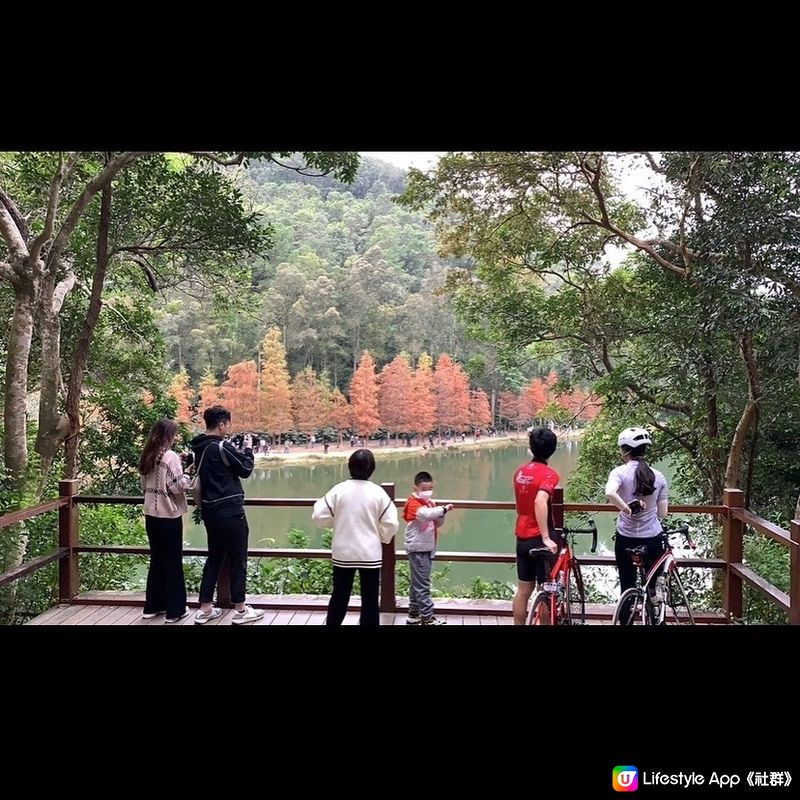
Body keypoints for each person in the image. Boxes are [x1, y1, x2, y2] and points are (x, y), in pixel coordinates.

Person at [190, 406, 265, 625]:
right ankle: (241, 610)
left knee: (214, 558)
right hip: (231, 512)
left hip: (210, 512)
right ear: (222, 424)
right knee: (238, 559)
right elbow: (246, 469)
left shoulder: (199, 447)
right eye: (227, 425)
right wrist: (249, 449)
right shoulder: (221, 446)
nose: (227, 428)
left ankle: (205, 608)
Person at [311, 449, 398, 625]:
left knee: (339, 595)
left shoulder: (339, 490)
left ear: (350, 466)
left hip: (343, 552)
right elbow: (391, 523)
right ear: (372, 468)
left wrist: (337, 522)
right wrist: (380, 536)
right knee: (371, 599)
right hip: (369, 553)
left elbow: (319, 516)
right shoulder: (378, 492)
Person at [605, 426, 668, 609]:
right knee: (652, 587)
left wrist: (626, 509)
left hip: (626, 538)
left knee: (627, 586)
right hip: (652, 538)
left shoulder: (619, 472)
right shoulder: (658, 476)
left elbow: (610, 492)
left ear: (625, 450)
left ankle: (626, 617)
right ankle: (653, 617)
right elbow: (662, 513)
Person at [139, 418, 191, 622]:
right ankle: (175, 610)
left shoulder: (147, 456)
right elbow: (178, 487)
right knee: (173, 563)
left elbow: (144, 485)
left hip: (151, 515)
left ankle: (152, 606)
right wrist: (187, 474)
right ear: (169, 436)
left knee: (157, 561)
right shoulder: (170, 457)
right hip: (168, 516)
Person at [511, 427, 561, 625]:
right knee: (546, 590)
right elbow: (540, 501)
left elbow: (519, 504)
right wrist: (546, 537)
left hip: (521, 536)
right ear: (553, 449)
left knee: (523, 590)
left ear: (531, 447)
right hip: (539, 538)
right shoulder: (549, 474)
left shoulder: (520, 472)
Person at [403, 470, 454, 625]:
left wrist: (441, 513)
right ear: (416, 488)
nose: (427, 492)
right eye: (423, 489)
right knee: (423, 584)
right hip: (418, 548)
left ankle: (414, 613)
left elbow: (437, 522)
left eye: (429, 488)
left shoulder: (430, 503)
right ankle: (427, 617)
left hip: (426, 546)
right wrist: (443, 509)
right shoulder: (413, 503)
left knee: (417, 583)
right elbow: (424, 515)